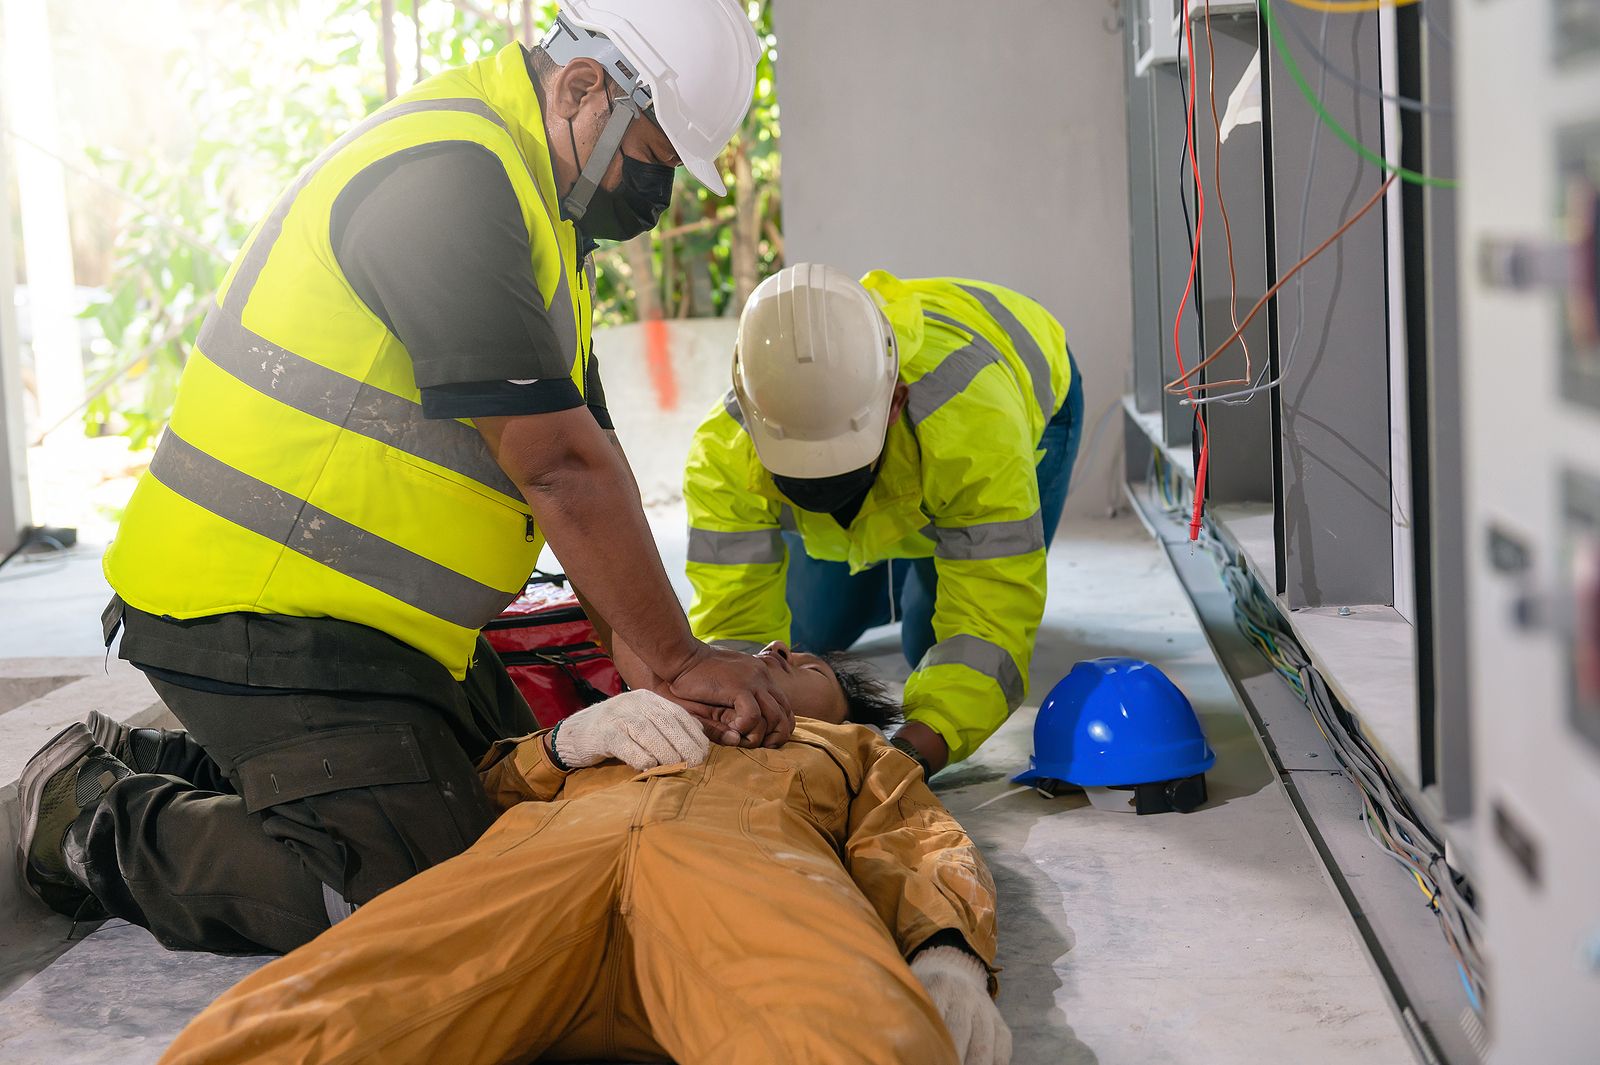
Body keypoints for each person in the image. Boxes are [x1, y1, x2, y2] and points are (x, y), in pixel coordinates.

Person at [16, 0, 789, 956]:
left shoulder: (534, 212)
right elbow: (556, 467)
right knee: (434, 898)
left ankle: (201, 765)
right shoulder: (448, 178)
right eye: (652, 159)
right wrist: (678, 660)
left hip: (376, 632)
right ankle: (93, 818)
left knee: (527, 813)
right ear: (584, 88)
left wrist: (652, 665)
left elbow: (597, 461)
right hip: (255, 613)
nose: (654, 192)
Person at [156, 644, 1012, 1065]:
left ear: (847, 715)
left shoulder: (853, 752)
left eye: (801, 661)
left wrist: (946, 951)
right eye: (752, 651)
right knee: (278, 1027)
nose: (768, 656)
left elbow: (914, 841)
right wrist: (562, 742)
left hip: (742, 883)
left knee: (867, 1041)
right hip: (530, 876)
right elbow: (479, 796)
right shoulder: (629, 719)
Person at [684, 264, 1086, 777]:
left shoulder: (976, 426)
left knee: (930, 645)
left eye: (838, 464)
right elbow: (734, 629)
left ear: (894, 403)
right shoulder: (723, 451)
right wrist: (728, 713)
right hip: (915, 458)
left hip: (1029, 399)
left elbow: (989, 622)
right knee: (814, 632)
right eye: (798, 471)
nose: (820, 486)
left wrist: (906, 759)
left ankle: (924, 568)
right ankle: (899, 570)